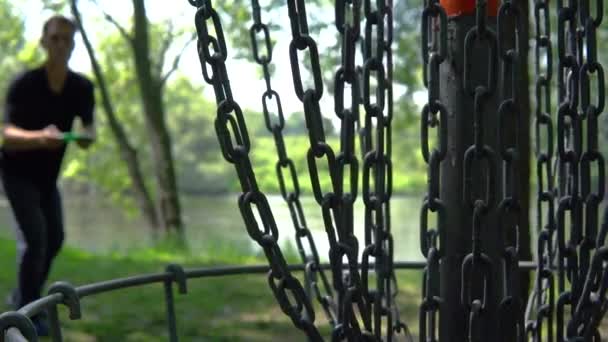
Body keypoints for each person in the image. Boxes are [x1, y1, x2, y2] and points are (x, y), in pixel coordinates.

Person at [1, 15, 95, 335]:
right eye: (55, 38)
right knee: (36, 238)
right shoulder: (25, 84)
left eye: (67, 40)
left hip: (46, 178)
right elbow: (7, 134)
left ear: (73, 46)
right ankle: (27, 315)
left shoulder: (82, 88)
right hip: (15, 171)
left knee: (54, 238)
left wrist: (86, 136)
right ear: (43, 42)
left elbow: (88, 127)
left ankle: (22, 299)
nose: (60, 45)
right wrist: (41, 137)